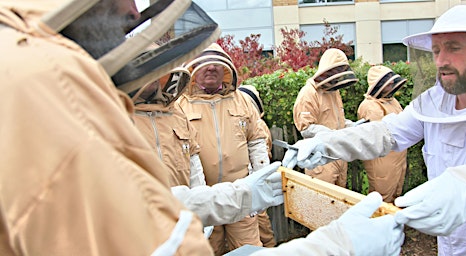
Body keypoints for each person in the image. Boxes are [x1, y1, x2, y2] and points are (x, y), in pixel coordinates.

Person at [0, 1, 404, 255]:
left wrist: (241, 192)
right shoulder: (43, 80)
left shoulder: (25, 68)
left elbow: (135, 205)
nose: (133, 12)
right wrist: (332, 249)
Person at [283, 4, 466, 255]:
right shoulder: (435, 101)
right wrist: (328, 144)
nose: (441, 61)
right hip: (449, 246)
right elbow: (386, 132)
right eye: (436, 50)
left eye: (453, 48)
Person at [176, 43, 271, 255]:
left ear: (226, 69)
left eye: (216, 64)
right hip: (205, 201)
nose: (210, 68)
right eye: (203, 64)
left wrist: (260, 182)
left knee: (251, 250)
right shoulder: (180, 105)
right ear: (192, 70)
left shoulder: (242, 100)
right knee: (208, 250)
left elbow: (257, 142)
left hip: (241, 196)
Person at [292, 48, 358, 187]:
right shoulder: (309, 93)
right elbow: (306, 128)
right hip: (320, 158)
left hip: (339, 154)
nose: (338, 75)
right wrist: (329, 134)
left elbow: (337, 120)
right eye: (335, 71)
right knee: (323, 203)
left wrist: (351, 126)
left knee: (341, 202)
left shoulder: (334, 91)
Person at [357, 65, 408, 203]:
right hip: (382, 160)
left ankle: (392, 224)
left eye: (392, 82)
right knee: (381, 198)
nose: (391, 85)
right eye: (388, 83)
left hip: (398, 158)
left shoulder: (392, 101)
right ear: (378, 84)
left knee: (395, 196)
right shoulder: (370, 106)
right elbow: (379, 134)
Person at [239, 84, 277, 248]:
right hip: (247, 186)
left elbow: (263, 154)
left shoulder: (258, 125)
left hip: (253, 185)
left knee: (263, 230)